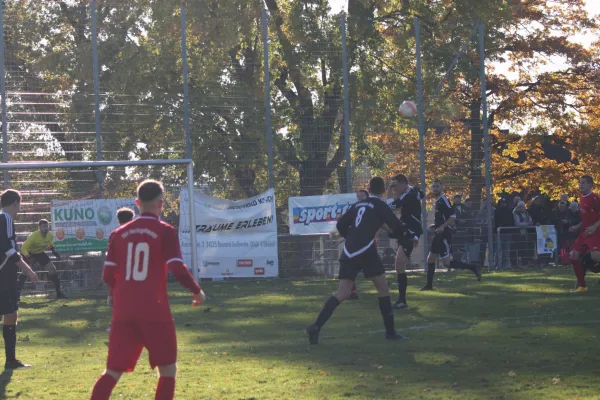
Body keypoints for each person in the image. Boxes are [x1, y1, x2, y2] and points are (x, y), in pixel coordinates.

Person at [90, 180, 206, 400]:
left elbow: (107, 276)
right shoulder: (165, 231)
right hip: (155, 310)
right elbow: (177, 268)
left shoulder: (118, 233)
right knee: (168, 370)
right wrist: (196, 290)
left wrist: (121, 291)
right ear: (161, 204)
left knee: (112, 371)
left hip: (124, 311)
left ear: (137, 203)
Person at [305, 177, 409, 344]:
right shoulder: (380, 205)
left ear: (368, 188)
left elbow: (340, 226)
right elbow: (396, 225)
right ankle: (390, 332)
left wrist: (351, 237)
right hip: (366, 250)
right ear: (383, 191)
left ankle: (316, 326)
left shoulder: (357, 205)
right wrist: (404, 233)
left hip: (349, 250)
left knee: (342, 293)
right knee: (383, 288)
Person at [0, 189, 38, 369]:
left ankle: (10, 360)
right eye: (20, 204)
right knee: (10, 314)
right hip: (3, 275)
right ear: (15, 202)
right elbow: (9, 250)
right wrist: (29, 270)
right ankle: (10, 361)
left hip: (5, 274)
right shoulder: (6, 218)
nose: (19, 209)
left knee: (11, 313)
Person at [420, 180, 481, 291]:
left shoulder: (443, 200)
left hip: (443, 235)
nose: (435, 188)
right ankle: (429, 285)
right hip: (437, 234)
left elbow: (452, 217)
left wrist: (442, 227)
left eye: (437, 186)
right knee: (430, 259)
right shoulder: (438, 200)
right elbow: (443, 217)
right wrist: (435, 225)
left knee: (447, 263)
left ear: (442, 187)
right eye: (433, 186)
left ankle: (472, 267)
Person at [387, 174, 423, 309]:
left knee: (400, 262)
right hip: (406, 230)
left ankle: (402, 300)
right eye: (392, 186)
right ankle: (402, 300)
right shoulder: (411, 192)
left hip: (411, 231)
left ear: (403, 183)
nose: (394, 188)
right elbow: (422, 194)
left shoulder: (407, 196)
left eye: (395, 185)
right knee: (399, 264)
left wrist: (389, 190)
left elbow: (390, 206)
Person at [18, 219, 65, 299]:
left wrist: (54, 251)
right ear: (39, 227)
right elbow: (23, 249)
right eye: (44, 227)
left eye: (47, 226)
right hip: (29, 253)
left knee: (53, 270)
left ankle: (59, 293)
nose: (46, 228)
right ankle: (17, 295)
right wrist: (29, 259)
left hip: (40, 253)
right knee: (25, 273)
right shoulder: (33, 237)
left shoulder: (50, 235)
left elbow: (49, 242)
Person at [569, 175, 600, 292]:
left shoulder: (595, 198)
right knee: (573, 256)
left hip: (595, 232)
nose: (580, 185)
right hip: (585, 232)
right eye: (580, 183)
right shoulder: (581, 197)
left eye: (583, 183)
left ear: (590, 185)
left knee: (595, 256)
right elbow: (586, 218)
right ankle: (582, 286)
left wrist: (594, 226)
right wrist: (577, 226)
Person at [494, 197, 514, 270]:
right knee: (498, 250)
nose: (503, 204)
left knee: (506, 250)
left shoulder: (509, 211)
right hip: (499, 233)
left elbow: (512, 221)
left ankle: (505, 265)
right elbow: (495, 221)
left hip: (507, 232)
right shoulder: (496, 211)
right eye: (502, 203)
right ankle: (497, 264)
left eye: (504, 203)